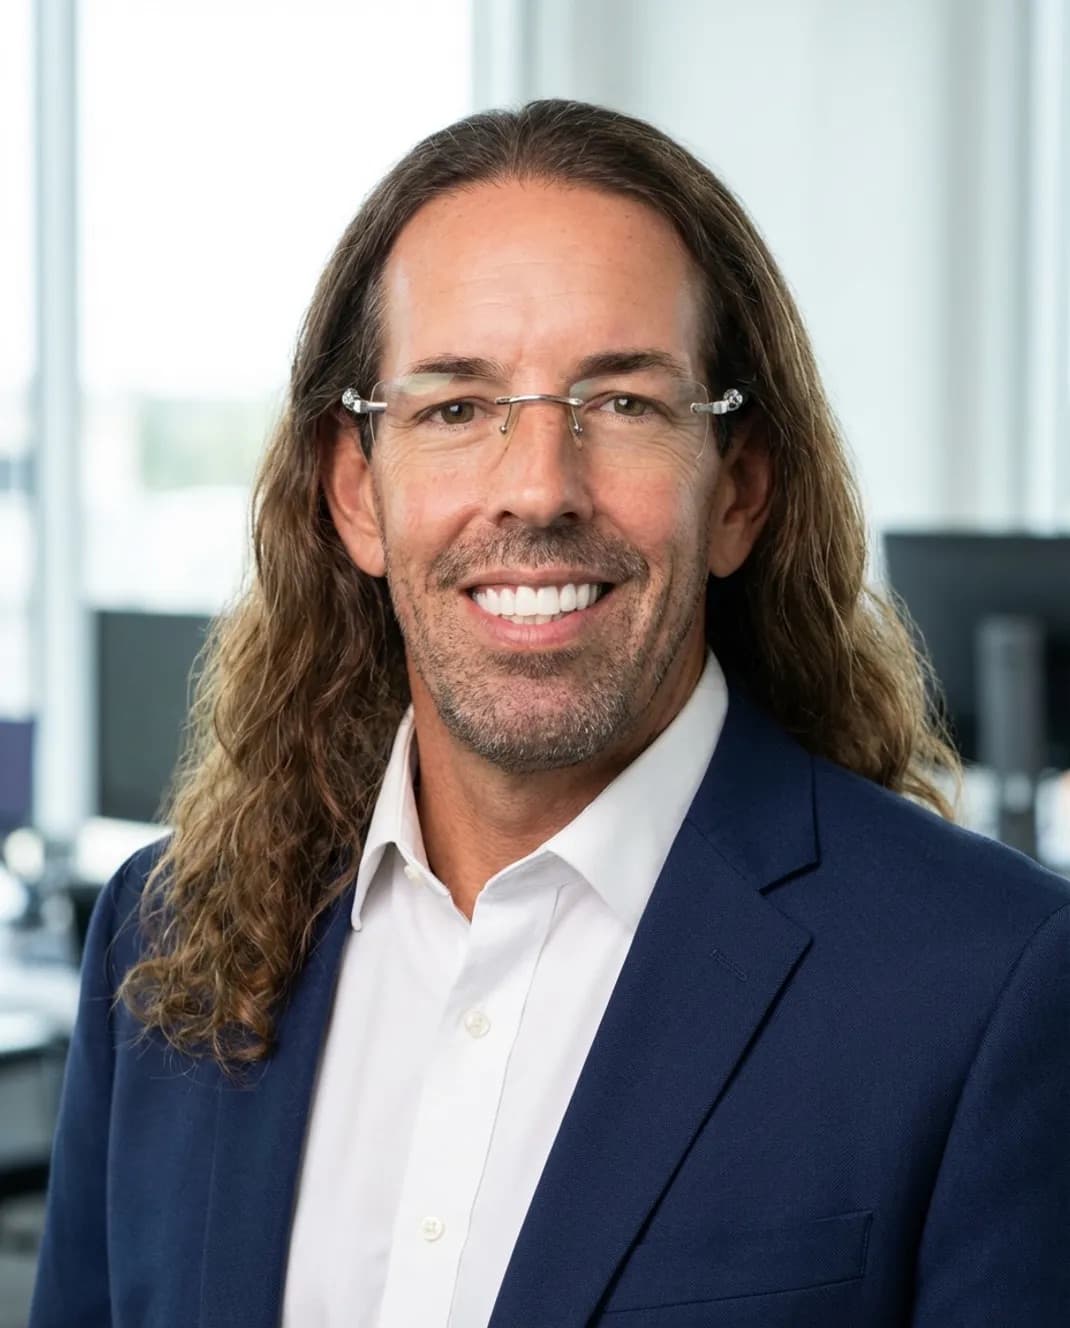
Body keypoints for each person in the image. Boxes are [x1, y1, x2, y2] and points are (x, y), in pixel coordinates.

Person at [31, 99, 1069, 1328]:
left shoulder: (987, 981)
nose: (537, 488)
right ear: (355, 493)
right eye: (455, 407)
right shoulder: (161, 938)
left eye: (622, 403)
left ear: (737, 490)